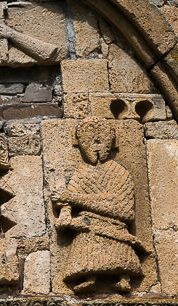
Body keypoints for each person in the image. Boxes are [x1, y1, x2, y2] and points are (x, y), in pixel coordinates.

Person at [52, 120, 144, 293]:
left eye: (101, 140)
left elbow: (124, 209)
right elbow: (67, 201)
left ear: (111, 143)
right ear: (79, 144)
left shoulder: (119, 172)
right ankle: (89, 277)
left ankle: (124, 278)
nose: (95, 145)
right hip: (88, 227)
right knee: (87, 244)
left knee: (119, 249)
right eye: (88, 140)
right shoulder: (80, 174)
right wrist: (65, 213)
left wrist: (73, 198)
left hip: (115, 227)